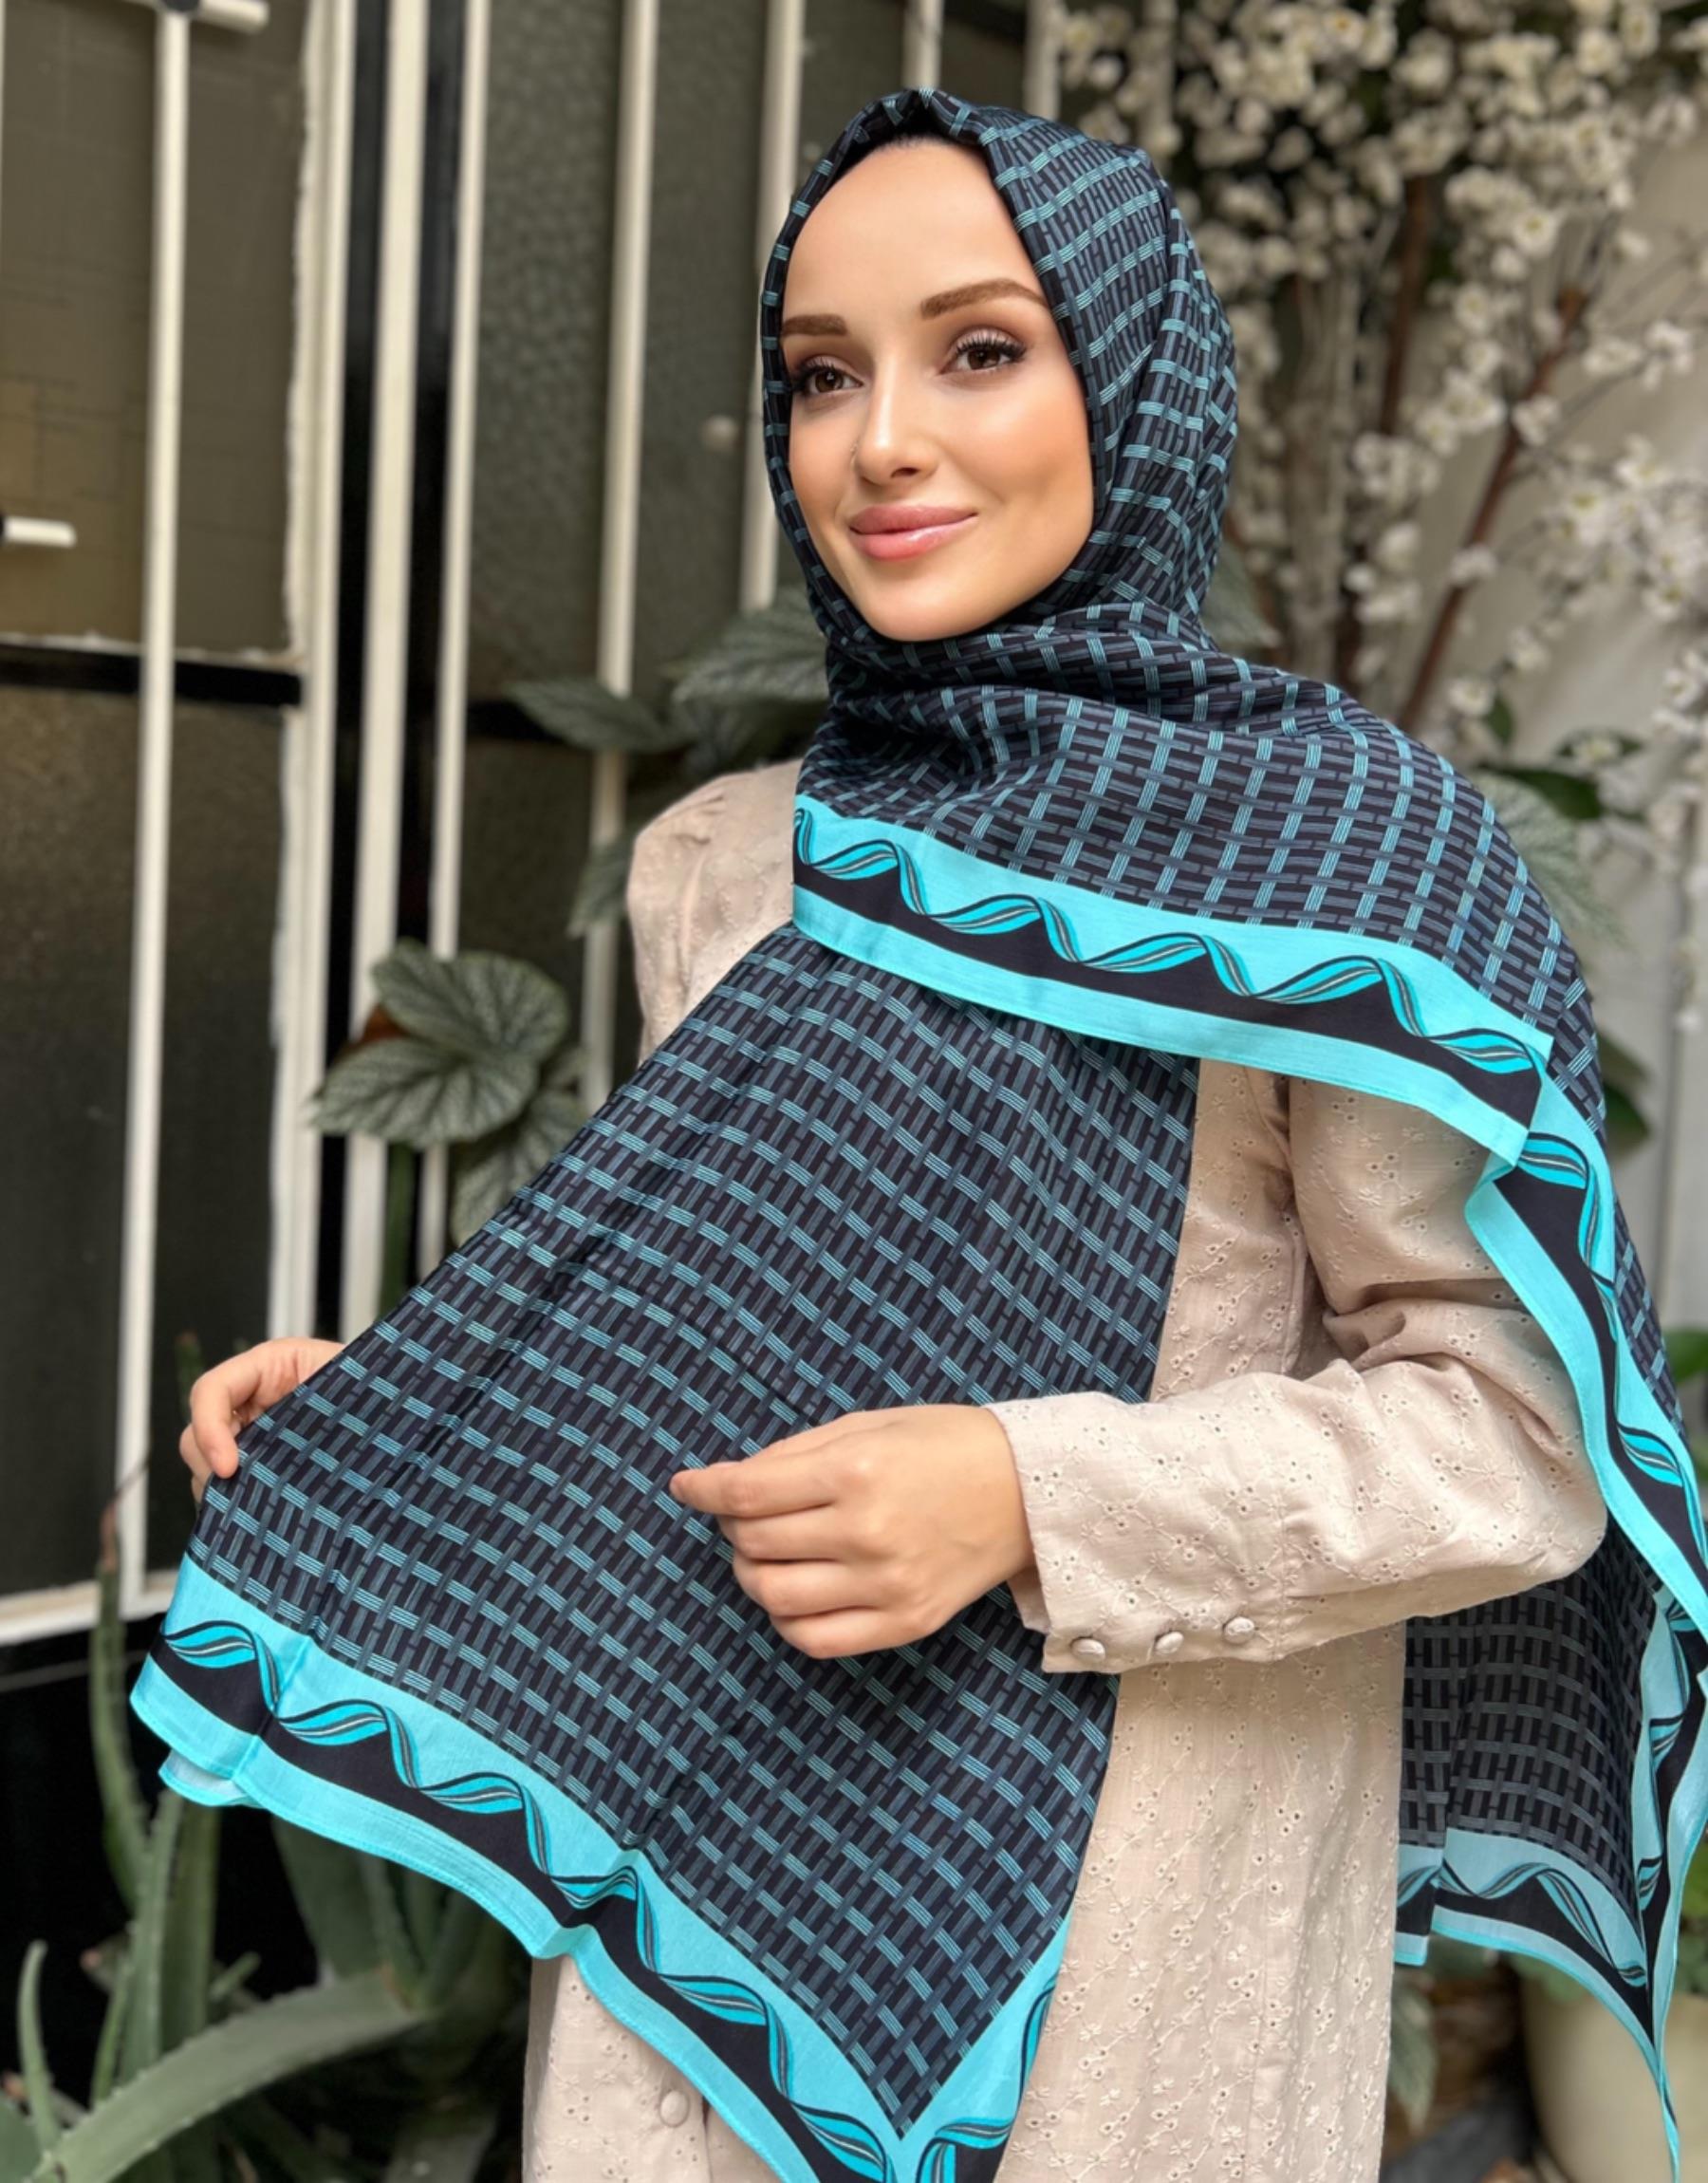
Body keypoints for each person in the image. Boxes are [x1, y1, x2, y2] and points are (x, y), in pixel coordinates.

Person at [159, 86, 1699, 2183]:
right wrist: (423, 1416)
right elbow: (732, 1329)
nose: (880, 439)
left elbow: (1519, 1439)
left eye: (979, 349)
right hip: (712, 1870)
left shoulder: (1343, 873)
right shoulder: (731, 859)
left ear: (1134, 383)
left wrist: (1027, 1492)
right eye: (821, 374)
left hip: (1147, 1947)